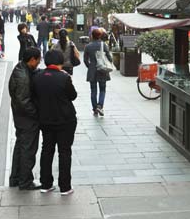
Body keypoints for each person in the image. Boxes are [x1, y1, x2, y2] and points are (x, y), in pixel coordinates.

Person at [34, 50, 78, 195]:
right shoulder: (63, 77)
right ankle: (65, 187)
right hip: (65, 120)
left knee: (47, 150)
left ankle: (45, 184)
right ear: (60, 62)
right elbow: (73, 96)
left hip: (45, 120)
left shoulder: (38, 77)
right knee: (64, 152)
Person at [8, 47, 41, 190]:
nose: (39, 63)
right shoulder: (22, 76)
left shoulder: (21, 68)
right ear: (32, 59)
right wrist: (37, 114)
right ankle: (25, 181)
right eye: (38, 60)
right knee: (28, 149)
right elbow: (24, 102)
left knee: (21, 146)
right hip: (26, 119)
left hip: (20, 117)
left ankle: (16, 178)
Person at [84, 28, 112, 117]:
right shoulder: (104, 45)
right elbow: (110, 58)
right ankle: (100, 105)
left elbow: (85, 60)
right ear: (100, 36)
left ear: (92, 36)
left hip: (92, 70)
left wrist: (90, 66)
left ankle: (95, 109)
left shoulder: (88, 46)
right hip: (102, 70)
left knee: (93, 91)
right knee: (102, 89)